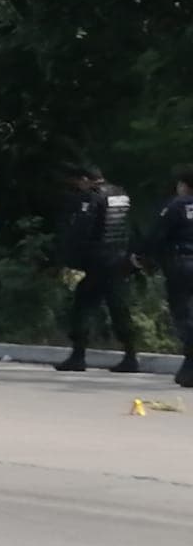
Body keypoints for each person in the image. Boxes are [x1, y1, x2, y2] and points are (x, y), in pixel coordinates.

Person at [54, 163, 139, 373]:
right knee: (119, 307)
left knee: (83, 306)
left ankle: (78, 356)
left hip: (98, 259)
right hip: (119, 257)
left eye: (78, 183)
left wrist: (71, 260)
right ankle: (130, 355)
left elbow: (82, 231)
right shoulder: (120, 193)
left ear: (85, 179)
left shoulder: (91, 197)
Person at [133, 165, 193, 387]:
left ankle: (191, 365)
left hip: (182, 264)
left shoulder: (177, 205)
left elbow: (156, 234)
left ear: (184, 186)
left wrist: (140, 255)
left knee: (183, 314)